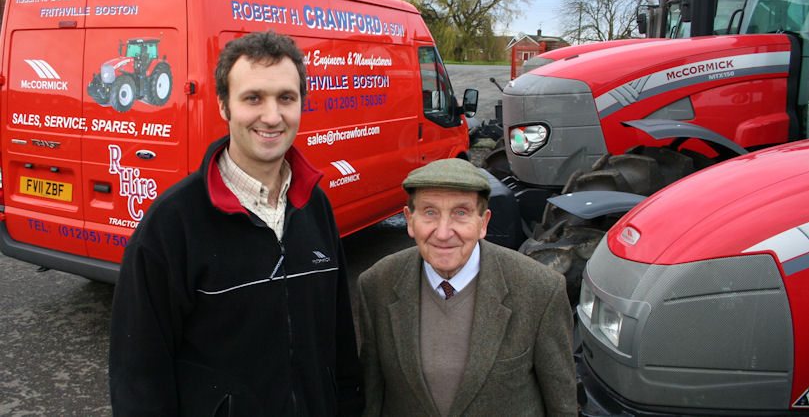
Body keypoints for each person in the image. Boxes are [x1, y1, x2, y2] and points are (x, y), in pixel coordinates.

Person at [109, 30, 363, 416]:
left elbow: (340, 339)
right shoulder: (173, 223)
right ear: (224, 106)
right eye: (253, 98)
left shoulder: (316, 205)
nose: (272, 116)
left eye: (286, 98)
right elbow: (138, 373)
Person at [357, 158, 577, 416]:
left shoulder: (540, 290)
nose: (443, 232)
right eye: (430, 212)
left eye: (460, 213)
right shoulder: (377, 285)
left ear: (483, 223)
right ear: (409, 220)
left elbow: (562, 405)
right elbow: (372, 398)